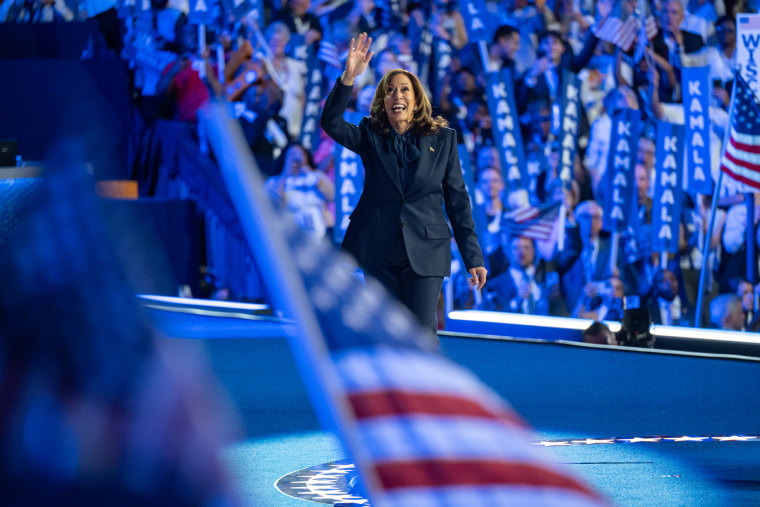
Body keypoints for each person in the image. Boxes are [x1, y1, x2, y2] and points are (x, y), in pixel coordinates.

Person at [320, 32, 487, 338]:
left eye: (404, 90)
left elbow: (458, 202)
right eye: (390, 91)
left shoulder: (444, 139)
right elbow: (330, 123)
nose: (397, 95)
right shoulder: (369, 134)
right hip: (378, 249)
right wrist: (348, 78)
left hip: (426, 249)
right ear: (382, 102)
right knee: (385, 333)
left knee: (422, 335)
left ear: (416, 99)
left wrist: (473, 257)